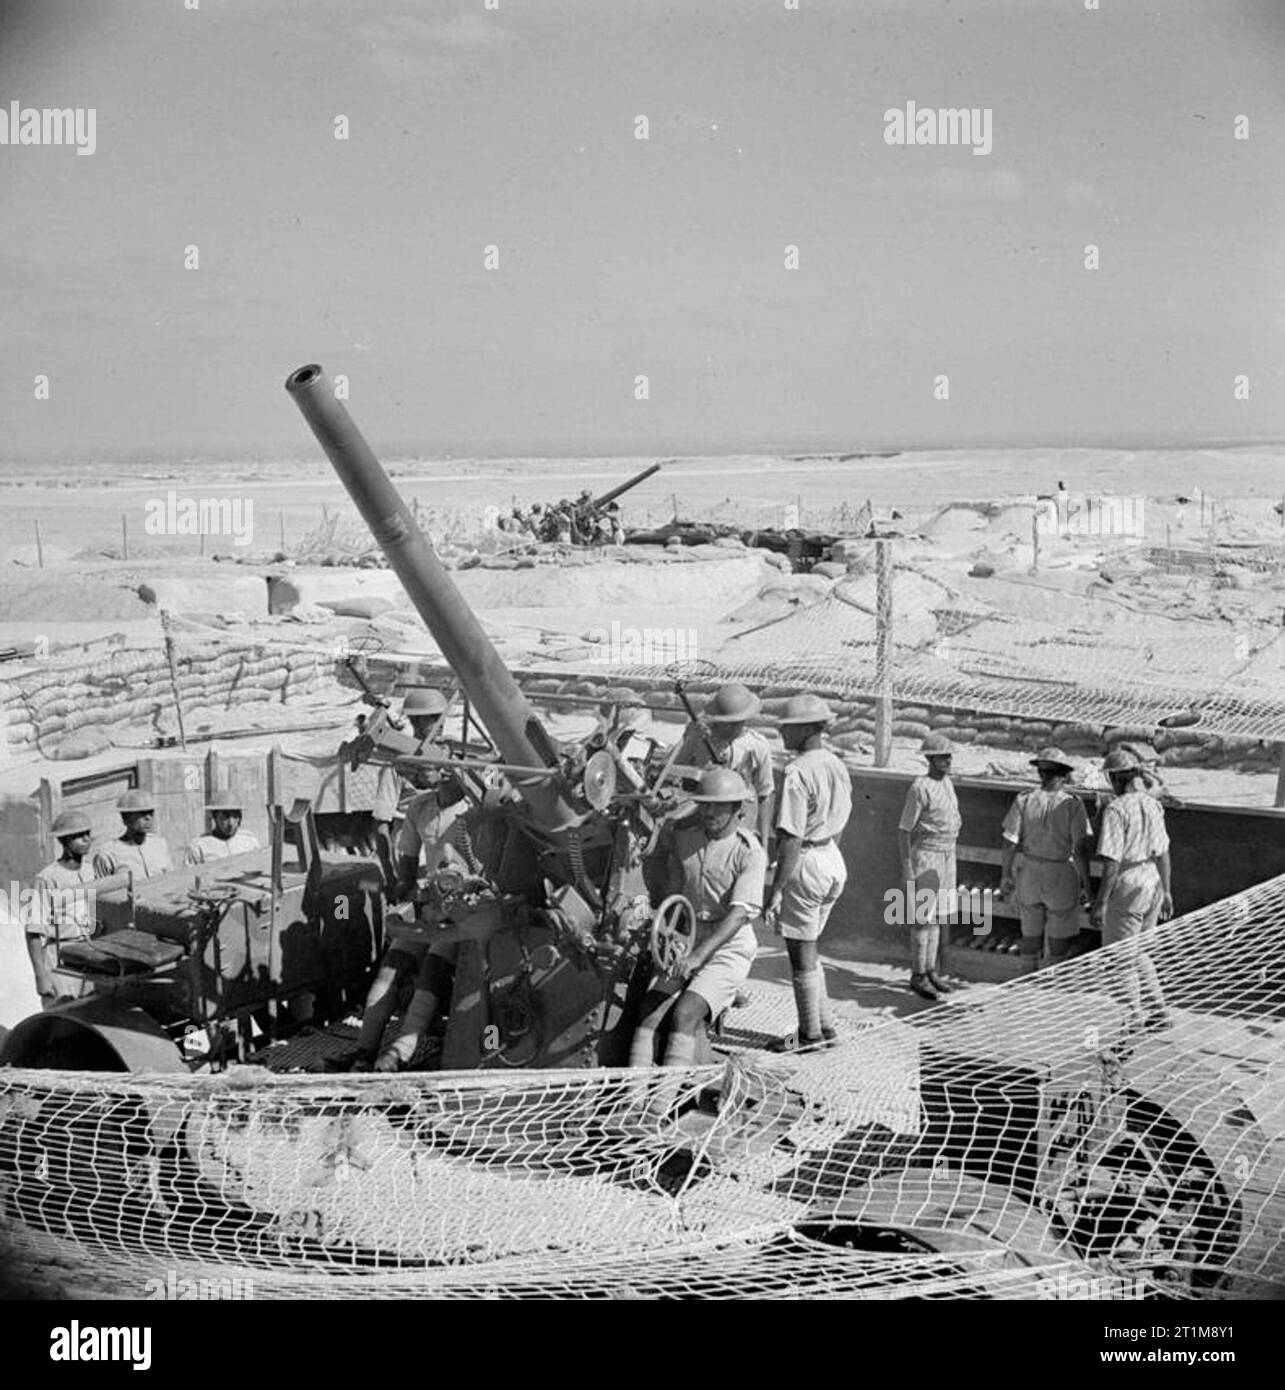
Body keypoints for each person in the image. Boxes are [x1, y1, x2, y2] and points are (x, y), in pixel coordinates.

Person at [629, 768, 766, 1086]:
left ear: (738, 810)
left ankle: (660, 1105)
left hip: (727, 947)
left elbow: (737, 916)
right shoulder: (686, 839)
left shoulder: (749, 853)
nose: (709, 813)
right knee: (648, 1010)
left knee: (685, 1014)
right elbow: (670, 881)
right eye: (704, 805)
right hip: (686, 939)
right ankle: (631, 1096)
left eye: (719, 806)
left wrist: (697, 958)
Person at [361, 775, 474, 1072]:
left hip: (466, 912)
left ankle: (399, 1052)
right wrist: (403, 889)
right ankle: (364, 1050)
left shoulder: (475, 809)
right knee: (390, 970)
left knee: (433, 971)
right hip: (430, 906)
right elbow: (408, 861)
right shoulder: (420, 808)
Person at [765, 694, 851, 1049]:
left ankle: (809, 1034)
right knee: (811, 948)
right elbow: (842, 819)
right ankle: (825, 1027)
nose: (781, 732)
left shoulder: (797, 771)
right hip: (832, 857)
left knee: (800, 956)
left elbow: (790, 837)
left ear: (807, 729)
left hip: (806, 862)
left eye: (787, 727)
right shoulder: (836, 763)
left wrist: (776, 889)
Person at [1091, 748, 1173, 1033]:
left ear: (1114, 779)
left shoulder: (1117, 809)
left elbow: (1111, 862)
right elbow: (1163, 853)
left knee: (1121, 956)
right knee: (1140, 953)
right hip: (1153, 880)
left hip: (1128, 882)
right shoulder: (1152, 805)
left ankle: (1135, 1015)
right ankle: (1159, 1009)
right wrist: (1168, 890)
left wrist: (1101, 902)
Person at [999, 748, 1093, 974]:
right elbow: (1080, 849)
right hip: (1060, 872)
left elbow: (1010, 842)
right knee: (1058, 939)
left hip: (1030, 871)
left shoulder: (1024, 799)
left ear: (1040, 773)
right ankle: (1051, 988)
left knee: (1029, 934)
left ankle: (1025, 980)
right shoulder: (1072, 804)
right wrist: (1086, 884)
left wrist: (1006, 875)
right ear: (1064, 775)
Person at [897, 734, 960, 1002]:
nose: (947, 761)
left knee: (937, 917)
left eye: (949, 756)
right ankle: (918, 974)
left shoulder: (947, 783)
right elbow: (903, 831)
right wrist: (907, 867)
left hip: (948, 855)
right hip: (927, 855)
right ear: (930, 759)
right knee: (923, 919)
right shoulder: (919, 787)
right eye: (942, 757)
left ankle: (931, 970)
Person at [673, 683, 775, 847]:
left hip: (740, 828)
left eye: (735, 723)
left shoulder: (758, 745)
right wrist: (689, 740)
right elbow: (673, 771)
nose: (728, 728)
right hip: (702, 825)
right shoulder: (699, 737)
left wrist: (764, 842)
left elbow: (765, 794)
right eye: (724, 722)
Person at [371, 687, 450, 868]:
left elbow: (488, 781)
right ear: (414, 721)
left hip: (448, 846)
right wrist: (388, 870)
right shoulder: (400, 764)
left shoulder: (452, 755)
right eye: (432, 718)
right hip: (412, 850)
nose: (441, 723)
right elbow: (381, 823)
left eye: (440, 716)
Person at [26, 809, 98, 1006]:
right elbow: (33, 932)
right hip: (59, 957)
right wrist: (40, 975)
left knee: (94, 1017)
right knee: (63, 1018)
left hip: (90, 952)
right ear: (64, 841)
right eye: (78, 836)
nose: (86, 840)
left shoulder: (91, 870)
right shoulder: (47, 878)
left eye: (87, 834)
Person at [92, 789, 173, 879]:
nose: (148, 818)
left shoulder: (159, 844)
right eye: (142, 813)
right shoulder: (107, 854)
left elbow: (170, 880)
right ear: (126, 818)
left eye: (150, 812)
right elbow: (102, 890)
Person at [184, 789, 261, 865]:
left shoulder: (249, 841)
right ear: (215, 816)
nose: (231, 823)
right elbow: (187, 875)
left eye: (235, 816)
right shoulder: (198, 847)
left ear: (240, 818)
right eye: (225, 816)